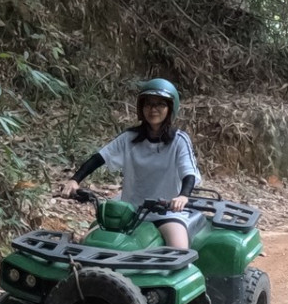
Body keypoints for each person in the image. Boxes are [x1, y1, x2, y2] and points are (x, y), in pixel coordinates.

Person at [69, 78, 201, 250]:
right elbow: (100, 158)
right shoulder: (129, 138)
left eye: (160, 104)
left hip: (166, 212)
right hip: (129, 211)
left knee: (179, 251)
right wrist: (75, 180)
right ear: (141, 108)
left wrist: (183, 196)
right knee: (86, 242)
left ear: (170, 108)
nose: (153, 109)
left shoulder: (179, 140)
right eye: (148, 104)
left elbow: (188, 172)